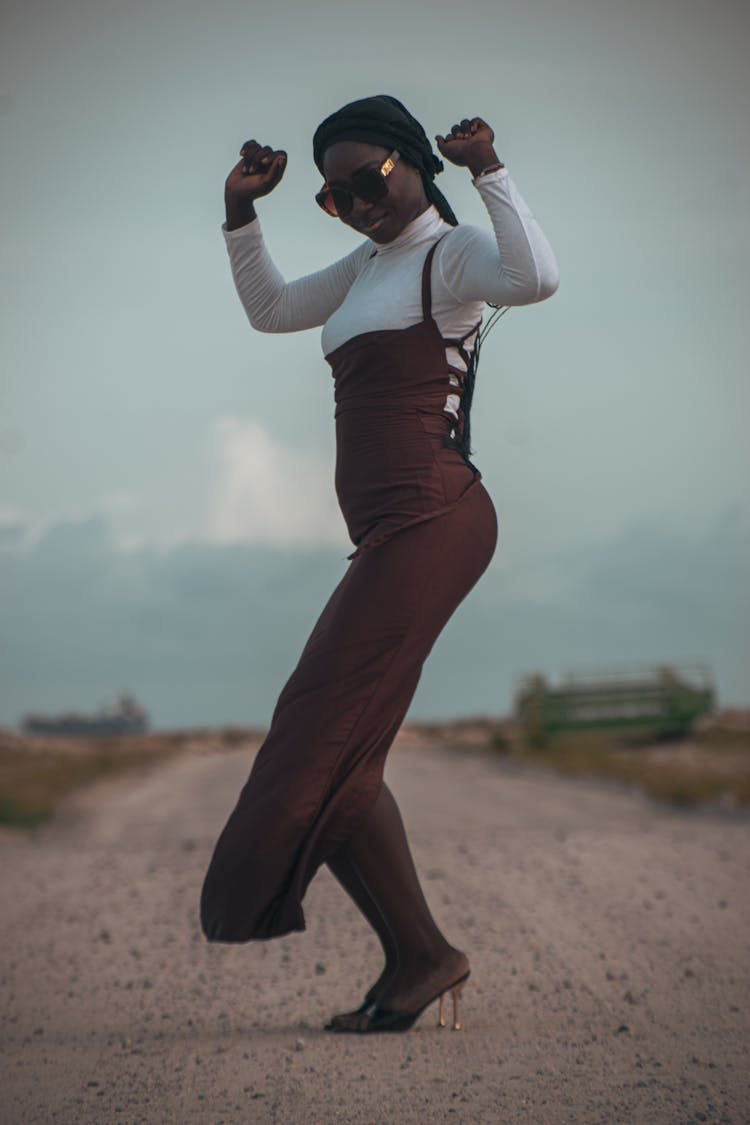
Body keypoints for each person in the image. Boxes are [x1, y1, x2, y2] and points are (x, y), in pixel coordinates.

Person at [200, 94, 559, 1034]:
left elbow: (538, 276)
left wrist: (491, 170)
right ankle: (420, 958)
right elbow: (272, 309)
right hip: (389, 531)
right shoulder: (367, 265)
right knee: (337, 740)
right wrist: (242, 212)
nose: (356, 203)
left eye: (370, 180)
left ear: (411, 163)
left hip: (435, 516)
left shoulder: (451, 258)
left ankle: (421, 953)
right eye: (333, 196)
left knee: (316, 724)